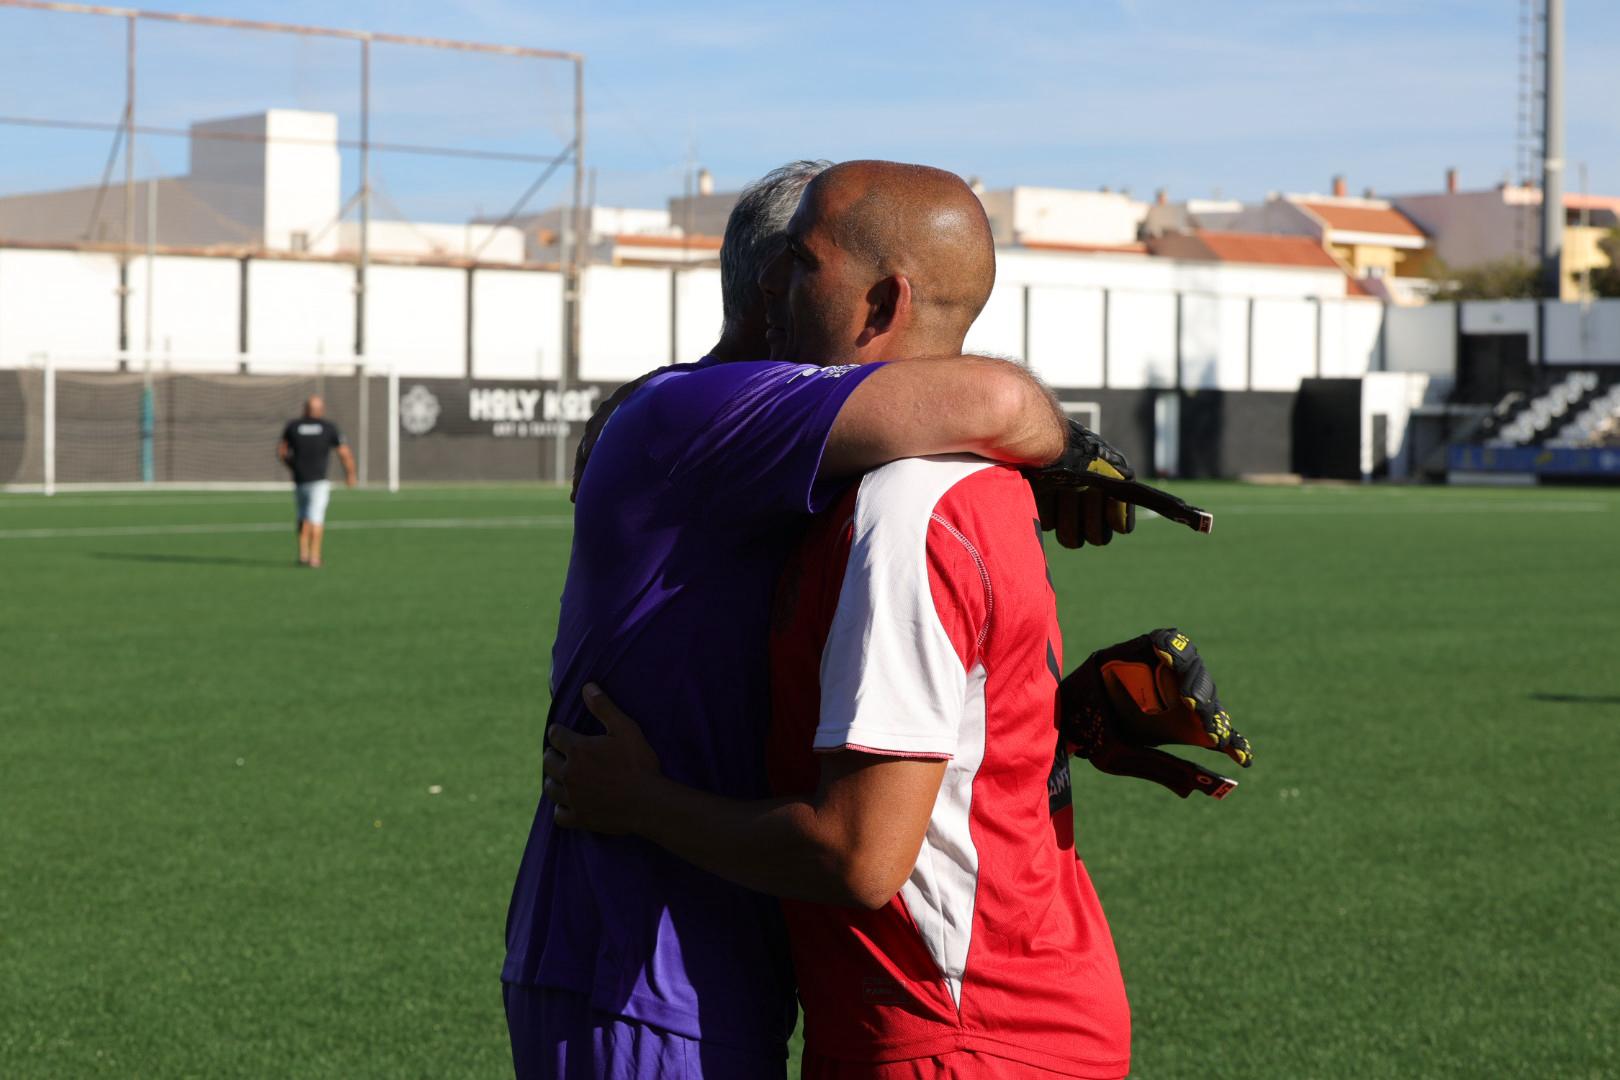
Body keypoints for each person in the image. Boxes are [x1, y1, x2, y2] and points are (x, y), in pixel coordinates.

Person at [545, 162, 1137, 1078]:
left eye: (806, 263)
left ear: (879, 297)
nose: (787, 286)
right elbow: (1003, 403)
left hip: (910, 1010)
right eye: (789, 261)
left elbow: (895, 782)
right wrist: (1071, 448)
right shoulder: (706, 421)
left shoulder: (899, 486)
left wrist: (1033, 728)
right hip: (644, 956)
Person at [275, 395, 355, 568]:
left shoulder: (293, 426)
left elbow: (281, 451)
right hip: (319, 481)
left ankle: (303, 554)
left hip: (300, 480)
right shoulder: (328, 427)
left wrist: (292, 466)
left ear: (305, 409)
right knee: (316, 518)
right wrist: (350, 474)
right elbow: (344, 452)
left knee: (303, 516)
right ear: (321, 410)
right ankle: (315, 556)